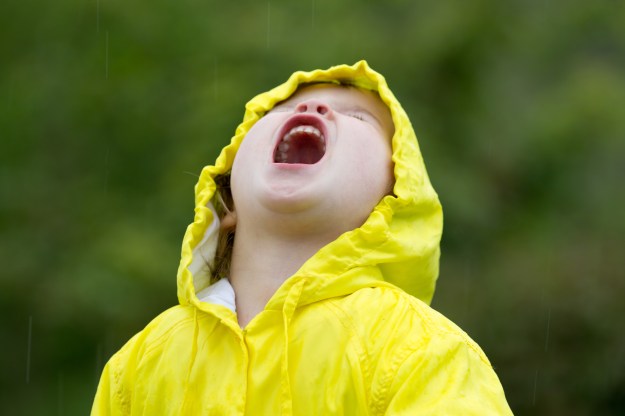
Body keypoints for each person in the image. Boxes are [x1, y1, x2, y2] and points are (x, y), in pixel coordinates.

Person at [92, 61, 513, 415]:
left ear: (392, 203)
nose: (313, 107)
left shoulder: (423, 351)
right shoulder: (140, 363)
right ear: (227, 204)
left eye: (356, 117)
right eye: (283, 108)